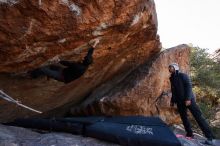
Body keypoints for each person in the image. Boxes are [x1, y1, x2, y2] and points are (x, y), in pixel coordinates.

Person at [168, 63, 215, 145]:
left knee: (198, 117)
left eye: (170, 67)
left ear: (175, 67)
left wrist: (188, 98)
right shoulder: (171, 78)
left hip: (189, 100)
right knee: (184, 118)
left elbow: (189, 86)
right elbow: (173, 90)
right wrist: (172, 100)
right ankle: (189, 134)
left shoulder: (183, 75)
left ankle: (210, 137)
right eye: (169, 67)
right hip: (180, 101)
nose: (169, 69)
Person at [30, 40, 99, 83]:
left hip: (63, 77)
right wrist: (95, 43)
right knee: (51, 66)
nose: (83, 57)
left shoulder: (78, 67)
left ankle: (31, 75)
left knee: (43, 69)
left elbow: (67, 63)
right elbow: (89, 53)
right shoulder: (86, 63)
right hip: (64, 71)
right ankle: (48, 74)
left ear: (83, 61)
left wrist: (59, 60)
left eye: (83, 58)